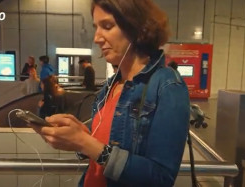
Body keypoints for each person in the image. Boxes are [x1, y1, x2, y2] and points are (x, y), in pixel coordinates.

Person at [29, 1, 190, 186]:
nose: (97, 38)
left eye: (107, 26)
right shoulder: (112, 85)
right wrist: (79, 137)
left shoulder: (167, 86)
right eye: (96, 27)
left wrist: (85, 143)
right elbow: (104, 148)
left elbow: (160, 178)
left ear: (137, 27)